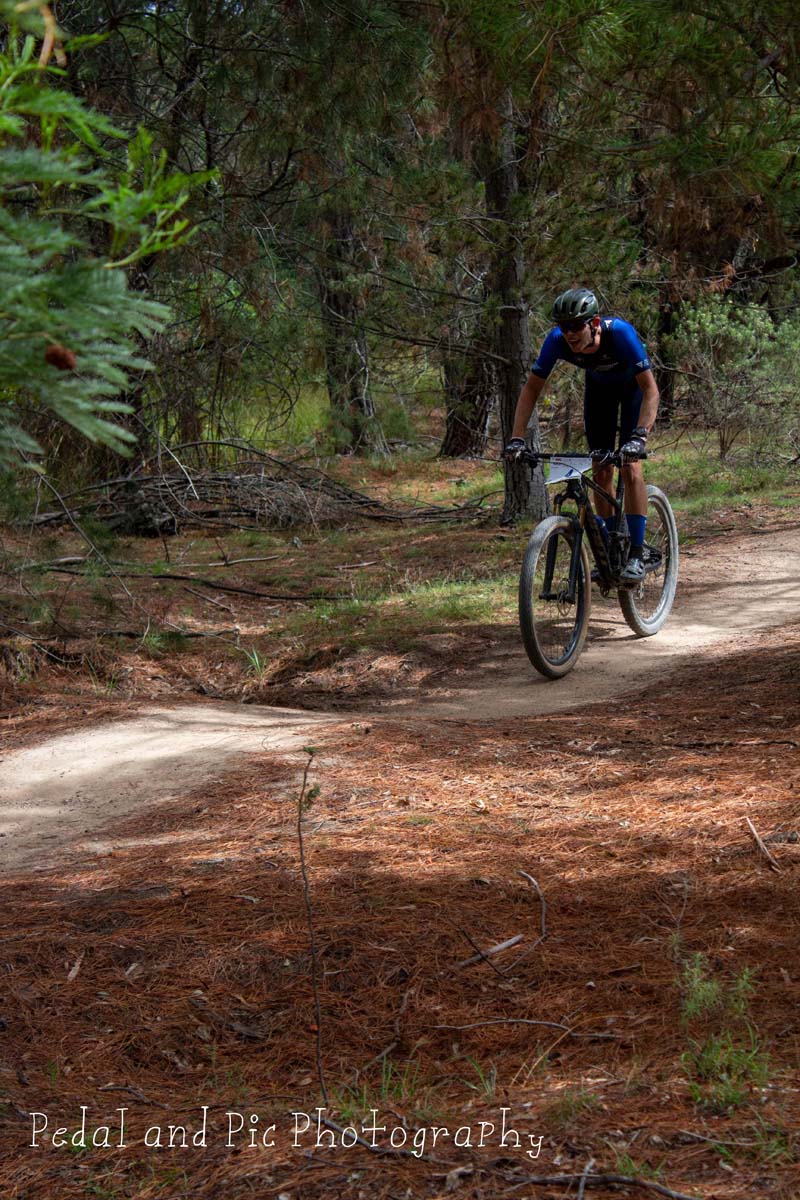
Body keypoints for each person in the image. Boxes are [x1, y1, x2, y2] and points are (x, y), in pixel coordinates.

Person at [504, 287, 659, 583]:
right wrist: (516, 439)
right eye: (564, 327)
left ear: (595, 323)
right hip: (600, 392)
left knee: (630, 467)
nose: (570, 333)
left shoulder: (620, 334)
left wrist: (640, 436)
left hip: (634, 392)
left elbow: (651, 389)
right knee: (601, 470)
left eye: (576, 325)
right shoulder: (557, 341)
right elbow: (531, 389)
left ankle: (637, 554)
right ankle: (612, 551)